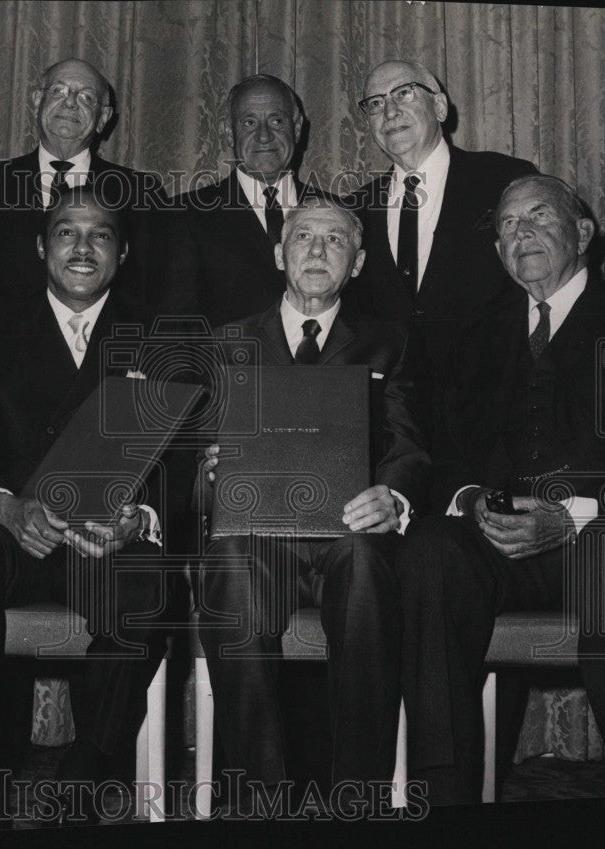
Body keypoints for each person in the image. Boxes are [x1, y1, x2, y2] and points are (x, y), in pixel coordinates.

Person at [396, 174, 605, 803]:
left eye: (538, 217)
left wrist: (576, 515)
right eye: (505, 224)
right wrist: (469, 499)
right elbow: (442, 456)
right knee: (430, 552)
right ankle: (444, 803)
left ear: (582, 233)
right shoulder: (475, 337)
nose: (519, 232)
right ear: (497, 250)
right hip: (500, 548)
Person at [0, 186, 189, 829]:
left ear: (122, 252)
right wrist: (5, 506)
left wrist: (141, 520)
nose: (82, 246)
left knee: (151, 584)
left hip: (106, 541)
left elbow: (183, 458)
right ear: (41, 246)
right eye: (66, 231)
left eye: (100, 234)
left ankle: (86, 771)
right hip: (15, 532)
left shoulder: (158, 333)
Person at [196, 197, 429, 800]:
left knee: (365, 562)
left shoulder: (391, 343)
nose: (318, 251)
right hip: (258, 539)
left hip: (346, 538)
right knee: (231, 562)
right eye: (303, 238)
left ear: (357, 264)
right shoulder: (228, 343)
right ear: (279, 253)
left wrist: (394, 499)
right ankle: (259, 800)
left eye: (335, 241)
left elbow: (410, 446)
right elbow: (185, 463)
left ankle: (357, 797)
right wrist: (210, 471)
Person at [350, 59, 536, 363]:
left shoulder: (504, 179)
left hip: (492, 398)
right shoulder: (355, 209)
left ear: (439, 107)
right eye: (375, 103)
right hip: (393, 405)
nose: (390, 112)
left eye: (403, 93)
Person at [0, 58, 163, 321]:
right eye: (58, 90)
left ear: (103, 118)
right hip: (6, 351)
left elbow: (150, 291)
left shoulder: (141, 192)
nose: (69, 102)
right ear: (36, 101)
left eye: (86, 97)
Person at [154, 74, 338, 329]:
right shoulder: (183, 215)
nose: (264, 136)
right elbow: (173, 328)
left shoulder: (340, 212)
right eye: (249, 122)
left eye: (277, 120)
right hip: (226, 368)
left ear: (296, 129)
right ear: (228, 133)